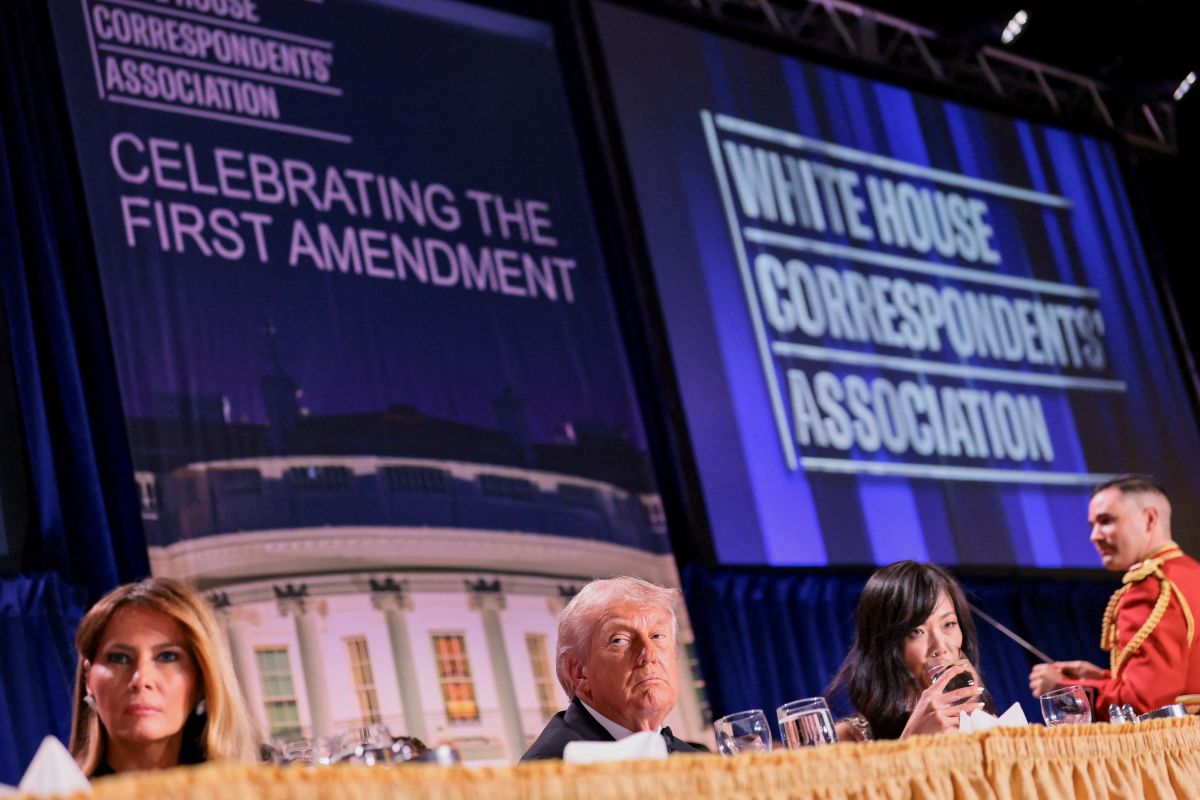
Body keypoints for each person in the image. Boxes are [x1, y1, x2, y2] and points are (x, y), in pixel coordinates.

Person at [1028, 474, 1200, 718]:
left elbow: (1145, 703)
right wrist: (1101, 678)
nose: (1094, 536)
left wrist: (1064, 689)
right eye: (1093, 525)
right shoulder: (1191, 574)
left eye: (1106, 521)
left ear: (1149, 518)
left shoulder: (1152, 587)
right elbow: (1180, 680)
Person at [68, 577, 261, 777]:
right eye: (119, 658)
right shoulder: (59, 790)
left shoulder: (261, 782)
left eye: (167, 657)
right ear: (88, 679)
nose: (141, 679)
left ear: (202, 678)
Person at [521, 576, 698, 760]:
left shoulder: (698, 761)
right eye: (619, 640)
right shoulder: (552, 769)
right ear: (579, 672)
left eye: (657, 636)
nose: (649, 654)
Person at [831, 561, 993, 742]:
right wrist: (911, 739)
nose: (941, 647)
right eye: (917, 631)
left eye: (949, 624)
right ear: (885, 644)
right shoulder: (850, 737)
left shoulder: (984, 725)